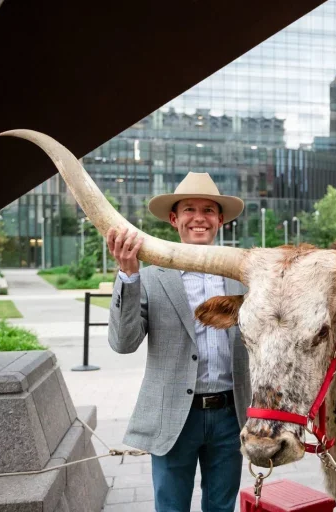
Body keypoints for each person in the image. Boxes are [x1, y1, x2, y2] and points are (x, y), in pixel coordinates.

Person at [107, 172, 250, 512]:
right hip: (174, 417)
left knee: (222, 507)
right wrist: (128, 275)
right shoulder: (150, 278)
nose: (199, 218)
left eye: (208, 210)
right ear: (174, 219)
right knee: (171, 507)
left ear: (220, 220)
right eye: (189, 209)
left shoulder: (243, 277)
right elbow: (123, 343)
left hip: (230, 415)